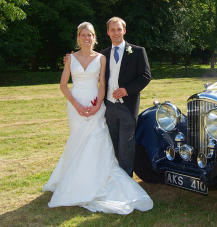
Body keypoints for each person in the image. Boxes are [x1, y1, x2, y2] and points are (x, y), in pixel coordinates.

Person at [43, 22, 153, 214]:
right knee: (85, 142)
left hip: (110, 105)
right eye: (83, 35)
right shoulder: (86, 56)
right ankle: (74, 179)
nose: (87, 38)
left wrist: (102, 102)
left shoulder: (118, 54)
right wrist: (78, 104)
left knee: (112, 143)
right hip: (89, 105)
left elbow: (136, 77)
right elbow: (67, 84)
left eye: (90, 35)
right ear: (78, 37)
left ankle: (118, 179)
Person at [101, 17, 151, 177]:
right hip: (108, 106)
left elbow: (145, 76)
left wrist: (126, 90)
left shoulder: (137, 51)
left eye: (119, 29)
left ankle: (127, 181)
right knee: (113, 143)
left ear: (124, 30)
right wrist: (71, 60)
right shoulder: (103, 55)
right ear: (108, 32)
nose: (116, 33)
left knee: (126, 145)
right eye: (112, 30)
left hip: (127, 106)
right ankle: (118, 176)